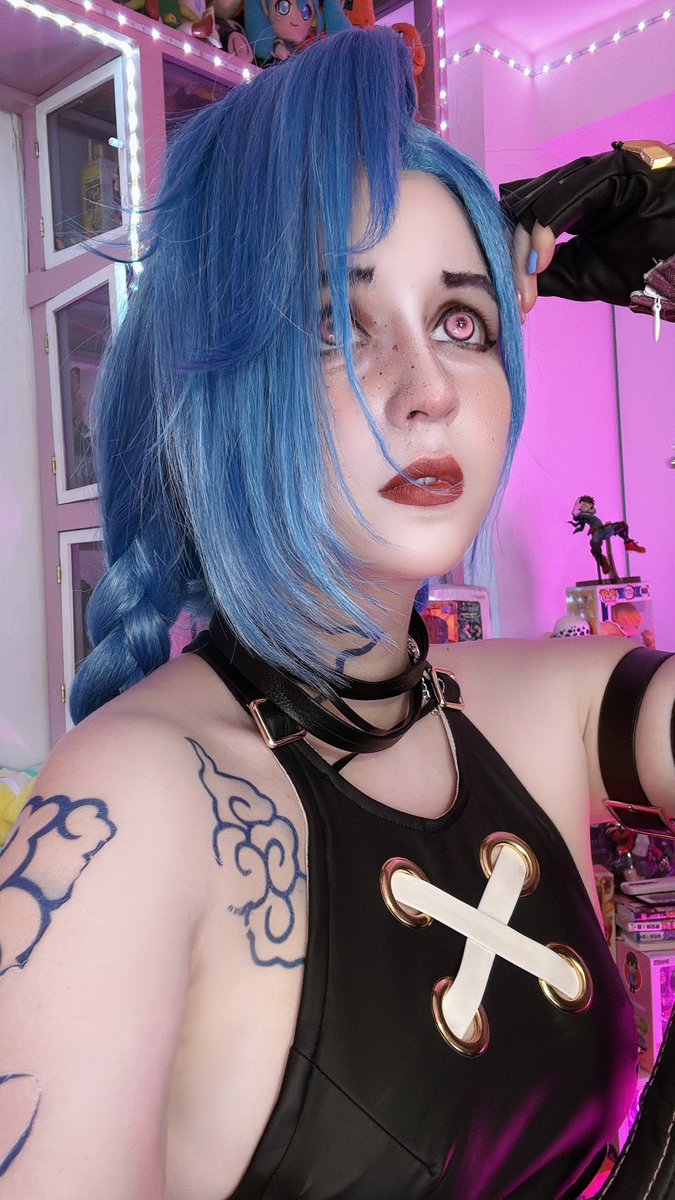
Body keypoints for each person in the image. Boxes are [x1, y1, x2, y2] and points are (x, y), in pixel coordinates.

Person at [0, 27, 674, 1200]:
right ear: (219, 388)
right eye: (333, 323)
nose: (428, 390)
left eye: (461, 322)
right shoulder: (131, 804)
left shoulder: (551, 705)